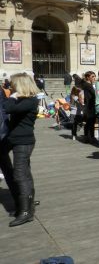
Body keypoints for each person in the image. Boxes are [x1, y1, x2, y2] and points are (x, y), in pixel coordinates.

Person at [3, 73, 40, 227]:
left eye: (13, 85)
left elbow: (8, 107)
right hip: (17, 140)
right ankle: (27, 205)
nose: (11, 87)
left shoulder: (30, 101)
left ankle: (26, 212)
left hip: (23, 142)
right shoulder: (25, 100)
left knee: (20, 174)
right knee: (24, 173)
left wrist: (12, 96)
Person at [0, 83, 18, 217]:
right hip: (3, 133)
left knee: (7, 169)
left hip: (2, 134)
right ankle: (20, 201)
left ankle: (21, 201)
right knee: (7, 169)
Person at [81, 71, 97, 145]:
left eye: (94, 76)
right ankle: (91, 137)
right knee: (90, 122)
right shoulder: (88, 85)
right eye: (92, 76)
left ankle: (87, 137)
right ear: (88, 77)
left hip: (88, 106)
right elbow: (94, 94)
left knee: (88, 123)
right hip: (90, 106)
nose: (94, 78)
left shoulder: (86, 84)